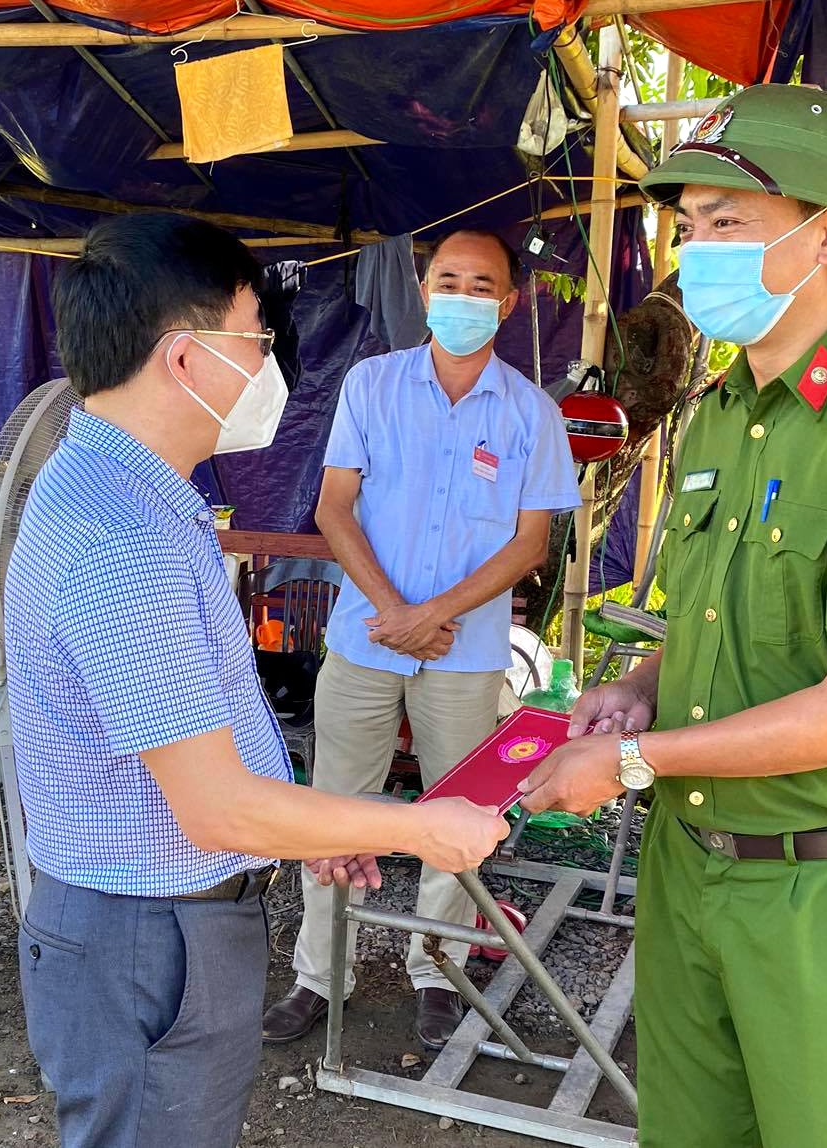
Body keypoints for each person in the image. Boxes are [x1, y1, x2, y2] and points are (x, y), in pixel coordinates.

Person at [517, 84, 827, 1147]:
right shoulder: (727, 413)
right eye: (690, 227)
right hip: (690, 863)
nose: (698, 252)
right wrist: (640, 691)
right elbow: (727, 625)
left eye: (728, 223)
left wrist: (633, 764)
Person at [1, 212, 509, 1148]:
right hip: (147, 939)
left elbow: (210, 766)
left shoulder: (137, 490)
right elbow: (218, 811)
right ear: (187, 360)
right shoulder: (124, 538)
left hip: (160, 919)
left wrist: (309, 829)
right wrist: (416, 828)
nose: (272, 365)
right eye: (257, 340)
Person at [261, 228, 580, 1050]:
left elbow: (529, 544)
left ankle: (436, 970)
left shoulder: (530, 413)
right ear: (423, 288)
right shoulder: (372, 384)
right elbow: (334, 506)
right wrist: (397, 612)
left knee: (460, 810)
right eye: (448, 280)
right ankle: (317, 973)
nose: (463, 297)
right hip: (365, 638)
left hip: (464, 653)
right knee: (335, 808)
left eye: (482, 286)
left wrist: (432, 616)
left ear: (509, 304)